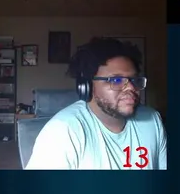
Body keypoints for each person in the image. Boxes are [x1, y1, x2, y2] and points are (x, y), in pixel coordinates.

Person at [26, 38, 166, 170]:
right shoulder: (62, 131)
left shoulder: (153, 120)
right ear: (87, 86)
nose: (131, 87)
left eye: (134, 80)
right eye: (116, 80)